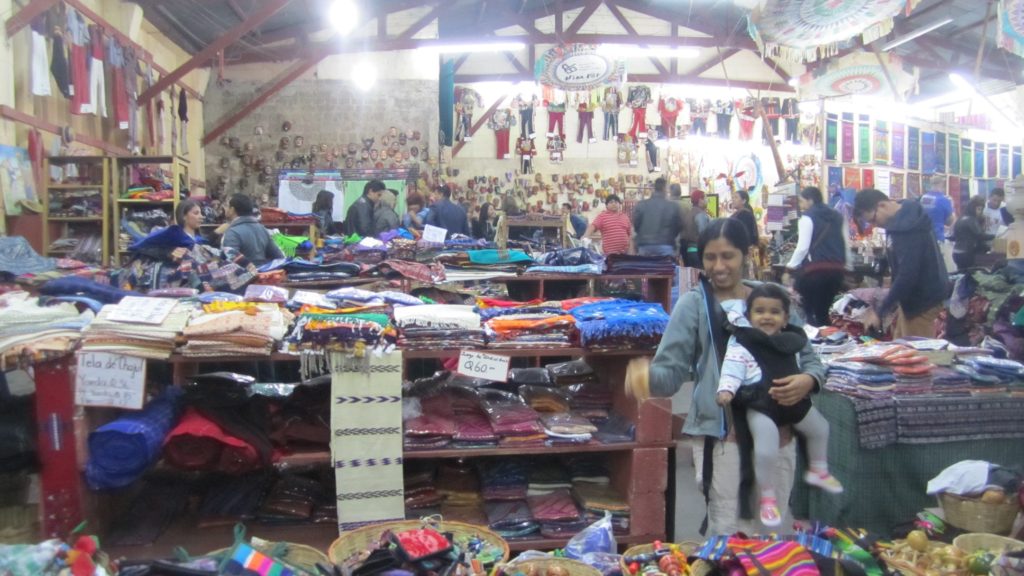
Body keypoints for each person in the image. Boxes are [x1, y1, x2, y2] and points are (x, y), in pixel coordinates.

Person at [625, 218, 826, 534]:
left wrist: (807, 382)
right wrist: (645, 378)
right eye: (710, 257)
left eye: (728, 256)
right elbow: (672, 372)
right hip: (724, 439)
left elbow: (811, 360)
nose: (718, 266)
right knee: (727, 533)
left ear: (746, 254)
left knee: (770, 532)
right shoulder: (695, 305)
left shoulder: (771, 299)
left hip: (779, 435)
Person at [716, 283, 842, 527]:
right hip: (761, 403)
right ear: (749, 317)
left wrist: (807, 380)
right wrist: (726, 390)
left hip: (792, 402)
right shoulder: (743, 343)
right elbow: (732, 369)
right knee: (766, 447)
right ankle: (767, 495)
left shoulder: (792, 340)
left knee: (820, 428)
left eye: (774, 312)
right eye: (760, 311)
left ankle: (818, 468)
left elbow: (809, 364)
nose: (766, 317)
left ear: (785, 318)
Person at [854, 188, 949, 338]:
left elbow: (908, 274)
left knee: (916, 353)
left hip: (923, 299)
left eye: (873, 220)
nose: (875, 225)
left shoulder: (907, 227)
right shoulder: (900, 219)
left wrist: (880, 310)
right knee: (901, 343)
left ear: (882, 205)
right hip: (913, 298)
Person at [784, 186, 849, 326]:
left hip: (815, 272)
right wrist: (847, 266)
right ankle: (828, 340)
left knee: (809, 313)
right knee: (823, 312)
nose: (801, 206)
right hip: (836, 271)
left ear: (810, 200)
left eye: (802, 201)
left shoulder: (807, 218)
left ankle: (814, 342)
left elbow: (803, 248)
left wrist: (790, 267)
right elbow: (845, 242)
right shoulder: (837, 216)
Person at [221, 193, 285, 265]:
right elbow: (280, 257)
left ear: (232, 210)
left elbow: (230, 263)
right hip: (262, 273)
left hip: (245, 275)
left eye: (226, 206)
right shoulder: (262, 229)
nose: (224, 208)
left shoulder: (233, 233)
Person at [633, 177, 683, 257]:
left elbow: (636, 224)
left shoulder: (641, 205)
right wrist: (672, 237)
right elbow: (679, 226)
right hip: (666, 244)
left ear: (654, 188)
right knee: (664, 268)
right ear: (664, 188)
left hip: (644, 244)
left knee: (645, 268)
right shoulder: (673, 206)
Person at [952, 195, 994, 271]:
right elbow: (980, 236)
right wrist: (996, 236)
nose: (980, 212)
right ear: (972, 208)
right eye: (979, 209)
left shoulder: (961, 218)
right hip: (967, 254)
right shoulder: (971, 220)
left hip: (956, 253)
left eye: (981, 210)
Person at [680, 189, 711, 268]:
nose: (707, 201)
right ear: (700, 200)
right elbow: (703, 234)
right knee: (702, 277)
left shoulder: (689, 213)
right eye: (706, 198)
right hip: (698, 251)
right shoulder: (700, 214)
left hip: (688, 251)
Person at [920, 174, 954, 243]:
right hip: (937, 238)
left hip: (923, 237)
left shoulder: (923, 198)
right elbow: (950, 221)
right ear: (941, 184)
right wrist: (951, 206)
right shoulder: (944, 200)